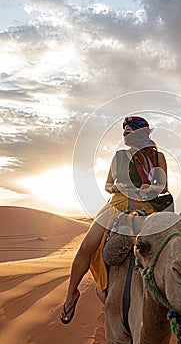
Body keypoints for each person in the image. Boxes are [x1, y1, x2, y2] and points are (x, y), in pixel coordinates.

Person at [60, 116, 169, 323]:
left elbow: (164, 187)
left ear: (143, 134)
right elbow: (108, 184)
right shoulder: (119, 157)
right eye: (125, 132)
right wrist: (117, 187)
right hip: (118, 203)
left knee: (171, 246)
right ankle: (71, 293)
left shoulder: (158, 157)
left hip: (148, 206)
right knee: (87, 246)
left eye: (131, 132)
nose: (126, 135)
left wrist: (151, 188)